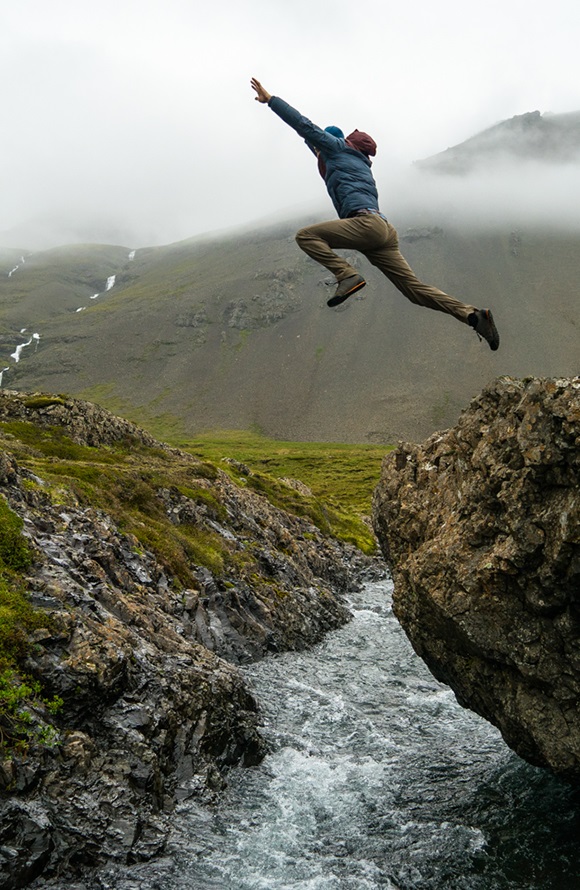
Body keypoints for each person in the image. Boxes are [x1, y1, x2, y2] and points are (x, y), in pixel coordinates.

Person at [250, 77, 499, 351]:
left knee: (305, 236)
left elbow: (304, 126)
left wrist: (271, 101)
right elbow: (309, 139)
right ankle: (473, 316)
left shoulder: (336, 149)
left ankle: (346, 275)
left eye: (319, 145)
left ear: (330, 141)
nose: (316, 150)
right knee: (414, 291)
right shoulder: (355, 161)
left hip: (366, 225)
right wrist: (309, 140)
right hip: (382, 232)